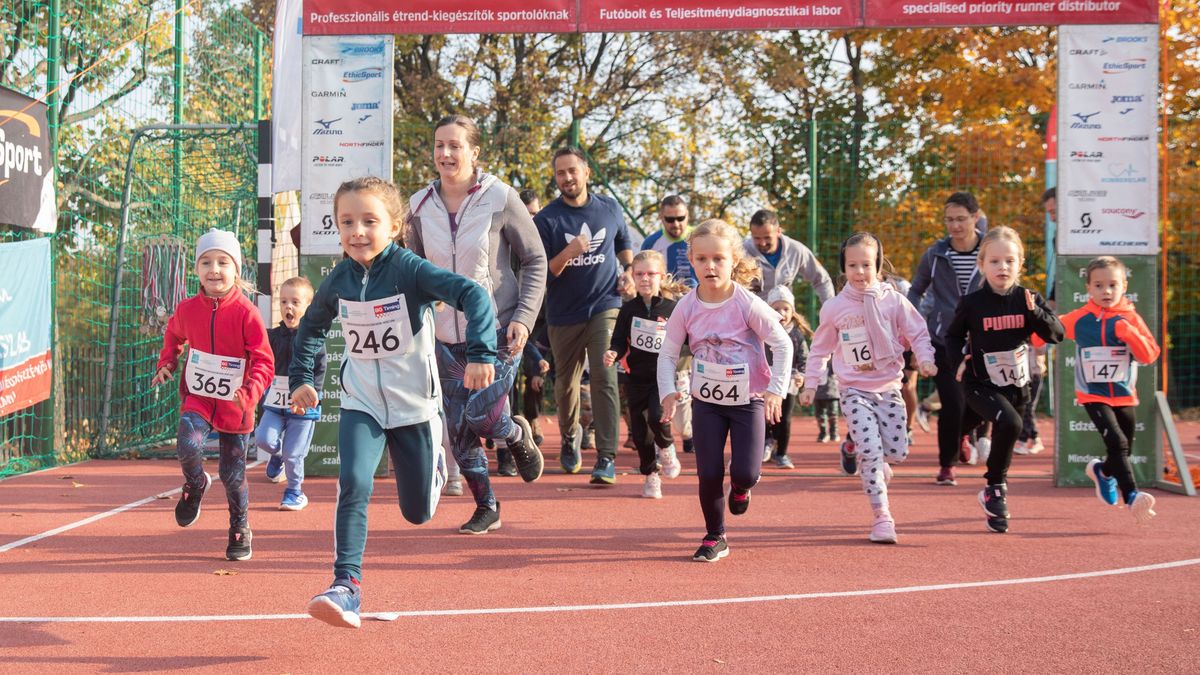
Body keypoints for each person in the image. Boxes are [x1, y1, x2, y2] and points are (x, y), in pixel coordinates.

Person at [290, 176, 498, 629]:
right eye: (347, 222)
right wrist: (302, 380)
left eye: (369, 221)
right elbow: (310, 328)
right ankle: (346, 586)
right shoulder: (338, 280)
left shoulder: (410, 270)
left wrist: (482, 353)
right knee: (353, 484)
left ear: (394, 226)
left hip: (413, 408)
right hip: (360, 401)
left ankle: (438, 469)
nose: (357, 231)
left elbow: (473, 294)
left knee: (417, 513)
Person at [407, 115, 548, 534]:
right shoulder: (419, 205)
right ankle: (487, 506)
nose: (445, 154)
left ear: (474, 152)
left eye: (454, 145)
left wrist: (523, 318)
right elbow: (415, 272)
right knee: (458, 430)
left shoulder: (500, 198)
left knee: (482, 417)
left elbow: (535, 260)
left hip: (498, 332)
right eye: (439, 145)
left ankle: (513, 432)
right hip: (445, 338)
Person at [658, 219, 792, 562]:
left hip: (748, 401)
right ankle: (715, 535)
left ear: (734, 259)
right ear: (691, 260)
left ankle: (743, 488)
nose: (710, 266)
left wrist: (776, 390)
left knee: (745, 472)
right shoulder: (687, 306)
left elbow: (783, 344)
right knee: (708, 471)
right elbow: (668, 353)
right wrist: (668, 391)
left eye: (718, 258)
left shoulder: (747, 303)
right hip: (707, 402)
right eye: (702, 259)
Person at [800, 233, 936, 543]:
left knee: (897, 452)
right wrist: (811, 385)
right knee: (872, 452)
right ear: (843, 269)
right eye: (853, 265)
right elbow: (820, 349)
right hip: (854, 391)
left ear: (878, 264)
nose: (860, 272)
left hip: (889, 387)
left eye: (866, 264)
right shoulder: (834, 308)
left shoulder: (893, 301)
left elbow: (918, 333)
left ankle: (866, 458)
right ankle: (882, 517)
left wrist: (925, 359)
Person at [151, 229, 274, 561]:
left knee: (232, 475)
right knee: (188, 445)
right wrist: (167, 362)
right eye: (206, 262)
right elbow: (173, 334)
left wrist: (251, 392)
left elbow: (264, 360)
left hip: (236, 402)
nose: (214, 269)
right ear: (196, 270)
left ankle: (239, 526)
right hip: (200, 397)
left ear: (236, 270)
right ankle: (194, 484)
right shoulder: (188, 309)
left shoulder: (247, 313)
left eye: (223, 262)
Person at [946, 226, 1063, 534]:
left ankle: (962, 437)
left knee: (971, 422)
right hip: (979, 383)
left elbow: (1057, 334)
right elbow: (953, 334)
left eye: (1010, 261)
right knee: (1009, 423)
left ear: (1020, 264)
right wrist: (958, 360)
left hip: (1015, 386)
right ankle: (995, 489)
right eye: (995, 262)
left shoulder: (1028, 299)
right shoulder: (972, 303)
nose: (1003, 268)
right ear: (981, 265)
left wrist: (1035, 312)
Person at [534, 146, 633, 484]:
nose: (567, 178)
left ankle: (606, 457)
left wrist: (630, 270)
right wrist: (569, 252)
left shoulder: (609, 207)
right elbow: (543, 272)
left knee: (605, 376)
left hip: (606, 305)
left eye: (573, 171)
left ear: (586, 172)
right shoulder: (546, 219)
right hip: (563, 313)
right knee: (566, 385)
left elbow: (623, 241)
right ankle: (569, 436)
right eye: (560, 173)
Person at [1051, 256, 1160, 522]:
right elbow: (1051, 329)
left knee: (1123, 449)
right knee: (1117, 441)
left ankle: (1104, 472)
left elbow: (1150, 355)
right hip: (1092, 393)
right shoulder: (1081, 318)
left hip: (1124, 394)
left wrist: (1128, 333)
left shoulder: (1130, 318)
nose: (1106, 291)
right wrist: (1031, 327)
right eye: (1098, 285)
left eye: (1112, 284)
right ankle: (1133, 495)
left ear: (1124, 286)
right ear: (1088, 288)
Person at [907, 191, 989, 486]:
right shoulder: (936, 253)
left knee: (982, 402)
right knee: (952, 403)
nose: (955, 226)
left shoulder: (989, 250)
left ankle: (968, 433)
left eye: (961, 219)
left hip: (982, 338)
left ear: (976, 218)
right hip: (944, 339)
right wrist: (912, 322)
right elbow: (916, 289)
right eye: (949, 220)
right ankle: (947, 464)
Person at [603, 250, 687, 498]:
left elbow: (687, 342)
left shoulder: (674, 309)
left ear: (661, 276)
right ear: (632, 277)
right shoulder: (628, 310)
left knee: (657, 417)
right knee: (640, 433)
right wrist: (613, 353)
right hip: (635, 378)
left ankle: (667, 446)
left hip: (662, 377)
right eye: (639, 274)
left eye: (651, 274)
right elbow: (619, 341)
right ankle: (651, 475)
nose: (645, 279)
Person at [256, 276, 326, 510]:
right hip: (276, 405)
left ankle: (295, 492)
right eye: (284, 301)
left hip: (303, 407)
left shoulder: (314, 340)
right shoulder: (272, 336)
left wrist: (310, 396)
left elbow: (319, 372)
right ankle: (277, 457)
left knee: (294, 453)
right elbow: (262, 362)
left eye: (295, 302)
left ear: (308, 307)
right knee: (263, 439)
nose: (288, 307)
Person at [743, 209, 834, 304]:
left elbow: (821, 279)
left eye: (767, 237)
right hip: (754, 312)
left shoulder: (795, 250)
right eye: (756, 238)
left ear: (778, 231)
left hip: (784, 312)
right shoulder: (743, 252)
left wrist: (829, 308)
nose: (762, 243)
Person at [762, 285, 808, 469]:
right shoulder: (762, 331)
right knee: (764, 415)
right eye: (776, 309)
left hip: (788, 383)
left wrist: (801, 374)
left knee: (784, 418)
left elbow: (804, 356)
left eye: (786, 309)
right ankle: (766, 441)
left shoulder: (796, 335)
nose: (781, 313)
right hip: (766, 380)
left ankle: (781, 453)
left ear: (792, 311)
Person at [641, 194, 696, 287]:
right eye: (670, 219)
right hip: (665, 299)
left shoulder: (701, 237)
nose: (676, 224)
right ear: (661, 217)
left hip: (700, 298)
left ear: (687, 215)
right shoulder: (651, 244)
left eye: (680, 218)